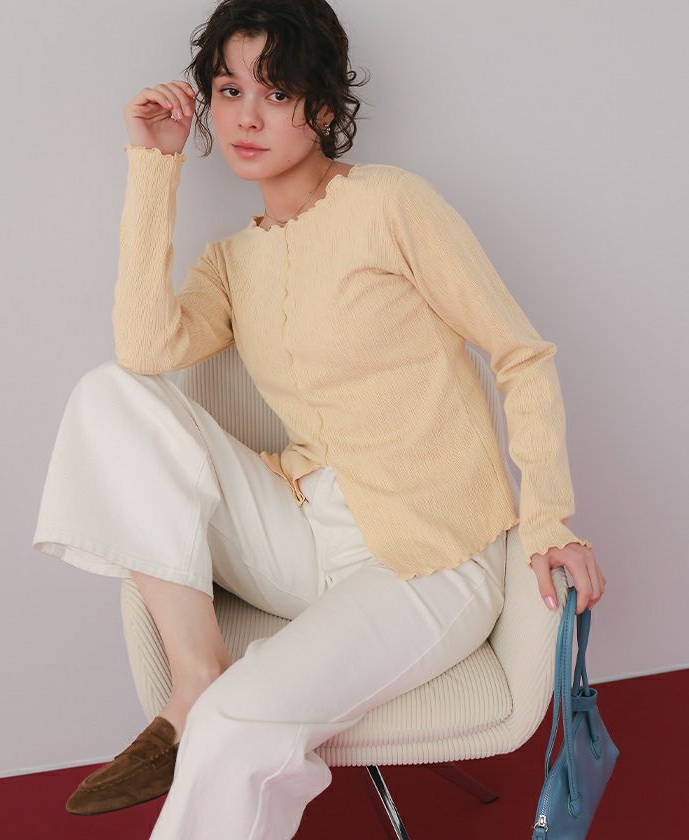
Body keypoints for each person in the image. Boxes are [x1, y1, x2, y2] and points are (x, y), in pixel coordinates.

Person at [31, 0, 606, 837]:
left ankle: (213, 712)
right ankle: (197, 675)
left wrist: (550, 518)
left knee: (236, 728)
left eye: (277, 92)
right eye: (229, 90)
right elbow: (145, 349)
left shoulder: (392, 204)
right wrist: (154, 165)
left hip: (428, 558)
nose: (247, 117)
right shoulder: (233, 260)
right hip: (303, 536)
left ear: (326, 108)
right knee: (108, 394)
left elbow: (521, 353)